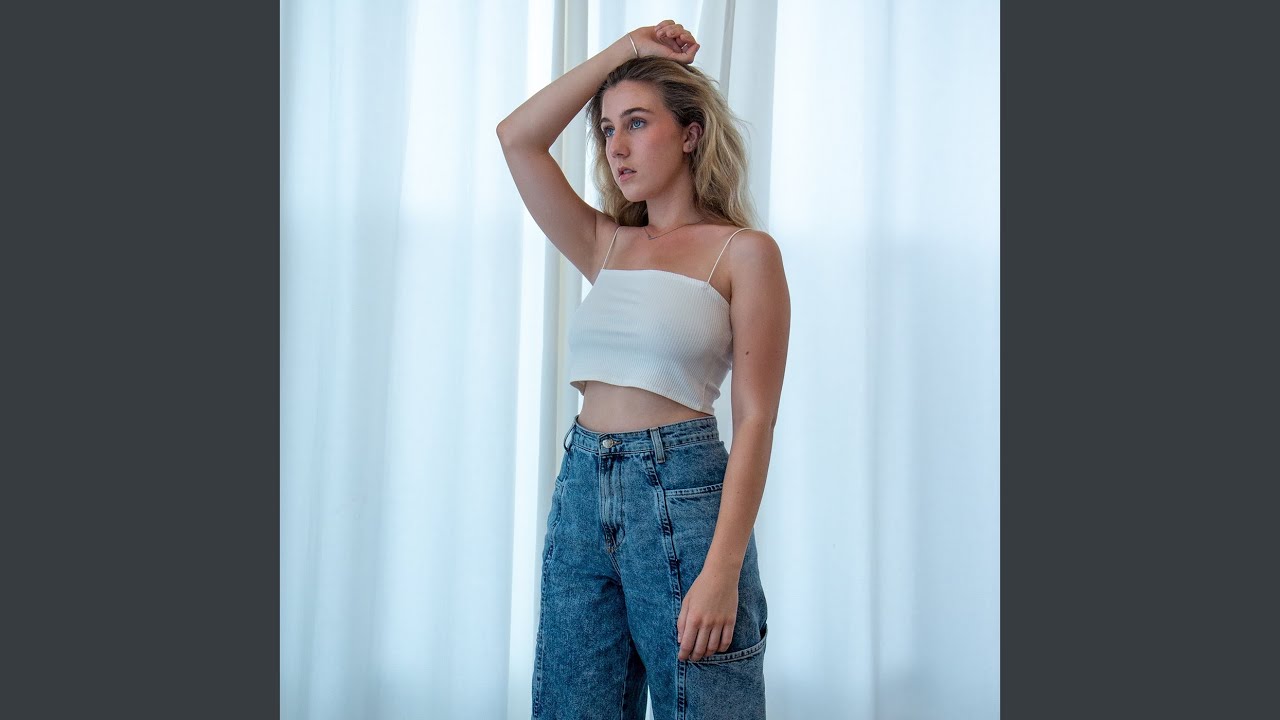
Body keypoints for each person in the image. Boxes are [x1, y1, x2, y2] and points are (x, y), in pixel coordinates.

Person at [497, 19, 789, 720]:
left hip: (682, 496)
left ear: (690, 133)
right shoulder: (606, 244)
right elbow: (517, 138)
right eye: (607, 129)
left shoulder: (744, 253)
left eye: (637, 122)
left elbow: (756, 420)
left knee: (705, 705)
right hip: (581, 490)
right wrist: (627, 49)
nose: (617, 147)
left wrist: (722, 570)